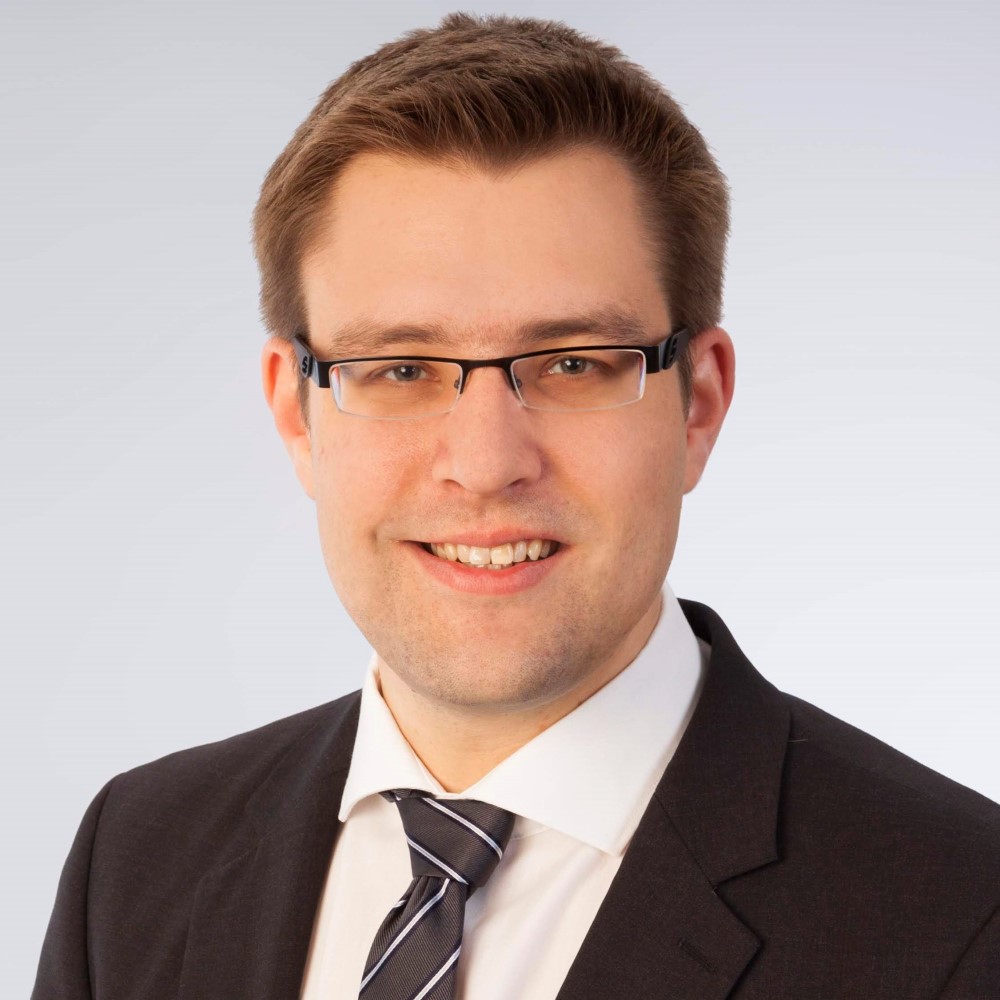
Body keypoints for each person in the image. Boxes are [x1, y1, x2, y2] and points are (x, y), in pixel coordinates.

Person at [32, 12, 1000, 1000]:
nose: (487, 463)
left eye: (574, 363)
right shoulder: (138, 860)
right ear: (296, 412)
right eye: (400, 367)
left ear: (699, 402)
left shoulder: (965, 917)